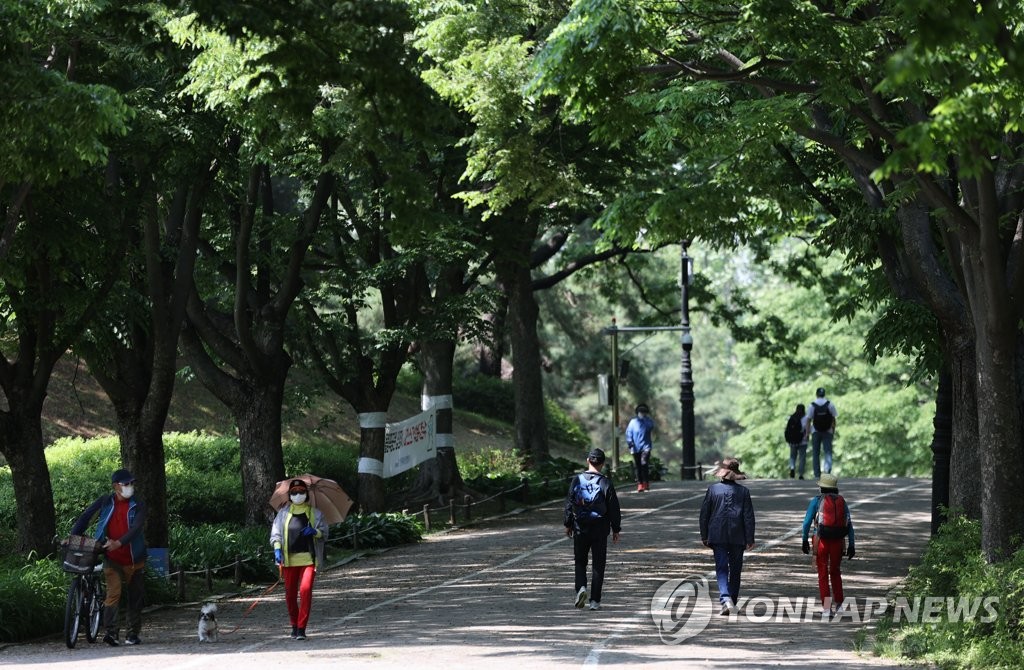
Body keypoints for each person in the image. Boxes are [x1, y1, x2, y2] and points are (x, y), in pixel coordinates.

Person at [71, 468, 148, 647]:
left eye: (132, 483)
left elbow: (135, 528)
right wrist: (73, 535)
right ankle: (111, 633)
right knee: (113, 593)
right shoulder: (106, 501)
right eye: (126, 484)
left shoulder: (138, 504)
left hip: (135, 558)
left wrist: (119, 543)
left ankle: (132, 634)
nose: (130, 487)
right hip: (111, 557)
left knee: (135, 597)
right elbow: (86, 517)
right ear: (116, 486)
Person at [564, 448, 621, 611]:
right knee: (598, 564)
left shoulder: (577, 480)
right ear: (602, 464)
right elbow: (613, 508)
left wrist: (567, 524)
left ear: (588, 461)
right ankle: (595, 601)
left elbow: (569, 503)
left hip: (580, 526)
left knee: (580, 561)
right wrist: (616, 529)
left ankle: (581, 587)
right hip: (600, 528)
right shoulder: (605, 482)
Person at [270, 479, 328, 640]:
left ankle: (302, 628)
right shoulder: (283, 513)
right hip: (289, 561)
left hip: (309, 560)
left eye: (301, 492)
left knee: (305, 590)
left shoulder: (316, 513)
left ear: (306, 494)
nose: (298, 495)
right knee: (289, 596)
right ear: (290, 495)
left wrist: (315, 532)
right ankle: (294, 625)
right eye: (294, 492)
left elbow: (325, 533)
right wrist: (277, 549)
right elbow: (276, 534)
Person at [699, 457, 756, 616]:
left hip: (717, 534)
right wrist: (750, 537)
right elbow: (748, 516)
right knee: (736, 569)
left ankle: (725, 599)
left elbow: (704, 515)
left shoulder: (713, 490)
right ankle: (732, 600)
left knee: (722, 568)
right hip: (738, 535)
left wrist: (704, 535)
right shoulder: (743, 492)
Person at [801, 473, 856, 617]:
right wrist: (852, 544)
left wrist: (804, 539)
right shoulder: (841, 501)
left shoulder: (816, 501)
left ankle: (826, 609)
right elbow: (849, 524)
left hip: (821, 541)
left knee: (823, 574)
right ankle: (839, 606)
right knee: (836, 572)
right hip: (838, 541)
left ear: (822, 488)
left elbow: (807, 522)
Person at [805, 387, 838, 477]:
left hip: (815, 431)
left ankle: (817, 474)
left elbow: (808, 420)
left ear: (816, 394)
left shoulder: (812, 405)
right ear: (824, 394)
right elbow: (833, 419)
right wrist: (833, 431)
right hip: (828, 431)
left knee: (816, 453)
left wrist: (807, 433)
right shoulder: (830, 404)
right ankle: (827, 471)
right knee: (827, 452)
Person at [625, 403, 655, 492]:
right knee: (638, 466)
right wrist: (630, 443)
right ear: (637, 412)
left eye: (644, 412)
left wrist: (644, 420)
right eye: (640, 412)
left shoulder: (648, 421)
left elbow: (650, 427)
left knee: (644, 463)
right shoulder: (633, 422)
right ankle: (640, 484)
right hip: (635, 448)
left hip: (646, 447)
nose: (642, 413)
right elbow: (628, 433)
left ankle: (646, 483)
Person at [785, 403, 809, 479]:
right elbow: (807, 428)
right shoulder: (805, 418)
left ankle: (792, 468)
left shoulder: (792, 417)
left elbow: (788, 429)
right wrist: (807, 436)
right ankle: (801, 474)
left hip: (793, 441)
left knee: (792, 456)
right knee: (802, 457)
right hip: (803, 440)